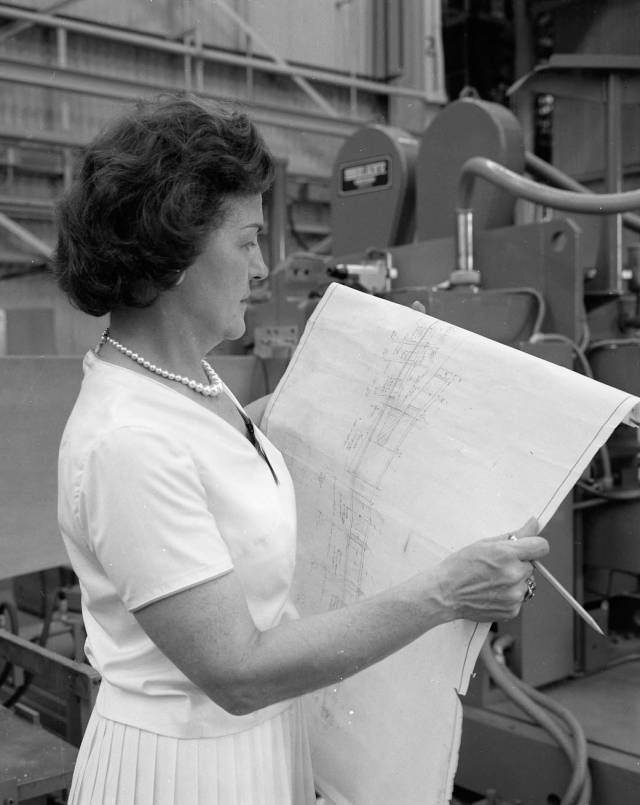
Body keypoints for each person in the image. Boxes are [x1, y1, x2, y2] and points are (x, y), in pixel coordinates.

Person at [54, 93, 549, 805]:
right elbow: (239, 671)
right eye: (248, 241)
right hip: (186, 773)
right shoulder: (127, 440)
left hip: (256, 749)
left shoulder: (189, 381)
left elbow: (221, 454)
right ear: (176, 250)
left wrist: (362, 395)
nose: (264, 268)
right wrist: (446, 590)